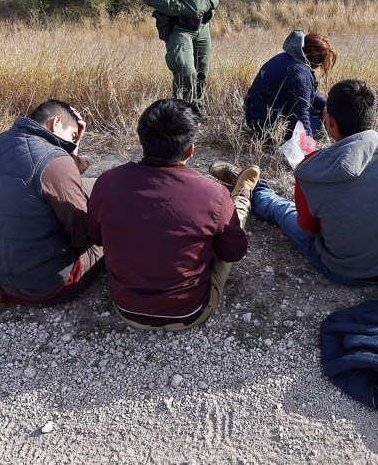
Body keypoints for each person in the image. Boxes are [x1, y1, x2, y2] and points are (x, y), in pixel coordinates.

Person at [88, 99, 260, 331]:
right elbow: (233, 253)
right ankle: (243, 192)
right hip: (190, 312)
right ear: (190, 149)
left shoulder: (107, 183)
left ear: (141, 140)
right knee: (231, 216)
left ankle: (239, 190)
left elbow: (97, 238)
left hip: (126, 309)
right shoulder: (212, 194)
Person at [224, 79, 378, 286]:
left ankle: (254, 188)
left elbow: (307, 228)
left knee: (283, 210)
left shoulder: (312, 170)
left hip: (346, 270)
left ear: (330, 121)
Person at [0, 100, 104, 306]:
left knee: (90, 186)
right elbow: (82, 237)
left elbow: (56, 181)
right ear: (56, 123)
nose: (72, 142)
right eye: (72, 136)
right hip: (46, 286)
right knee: (109, 236)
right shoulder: (55, 161)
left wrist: (72, 148)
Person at [243, 30, 338, 139]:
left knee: (320, 111)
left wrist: (325, 104)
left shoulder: (283, 58)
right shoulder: (300, 73)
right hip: (270, 129)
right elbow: (301, 115)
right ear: (317, 60)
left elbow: (303, 94)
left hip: (254, 120)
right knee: (326, 118)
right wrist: (308, 144)